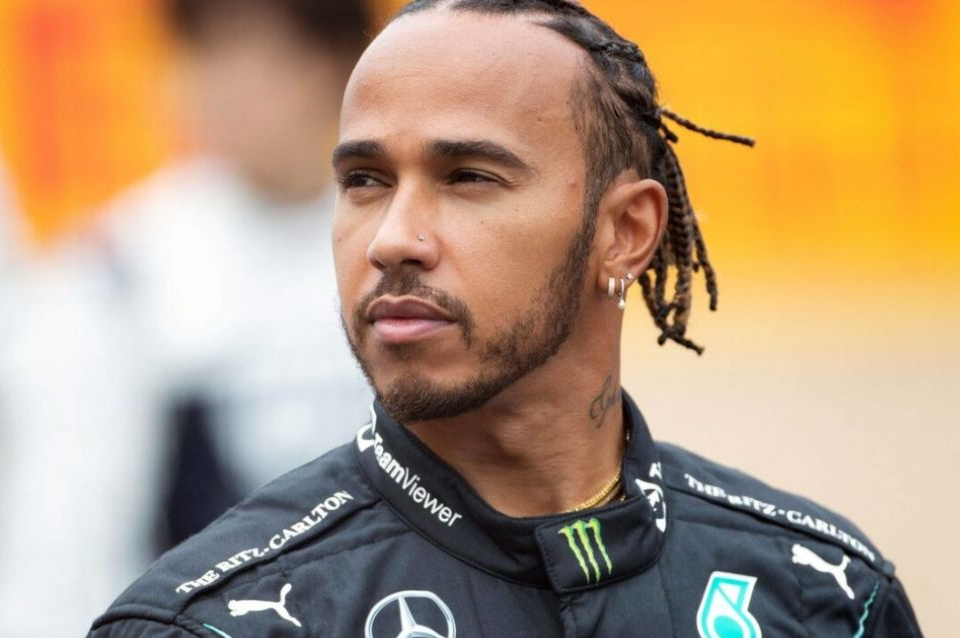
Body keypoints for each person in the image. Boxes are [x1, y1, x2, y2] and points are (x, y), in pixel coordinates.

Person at [87, 1, 924, 637]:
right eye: (366, 181)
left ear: (625, 232)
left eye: (470, 178)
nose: (393, 239)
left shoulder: (823, 596)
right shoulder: (210, 623)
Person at [0, 2, 372, 636]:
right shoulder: (126, 269)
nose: (221, 86)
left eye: (254, 54)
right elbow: (67, 537)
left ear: (337, 62)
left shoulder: (404, 248)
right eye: (202, 52)